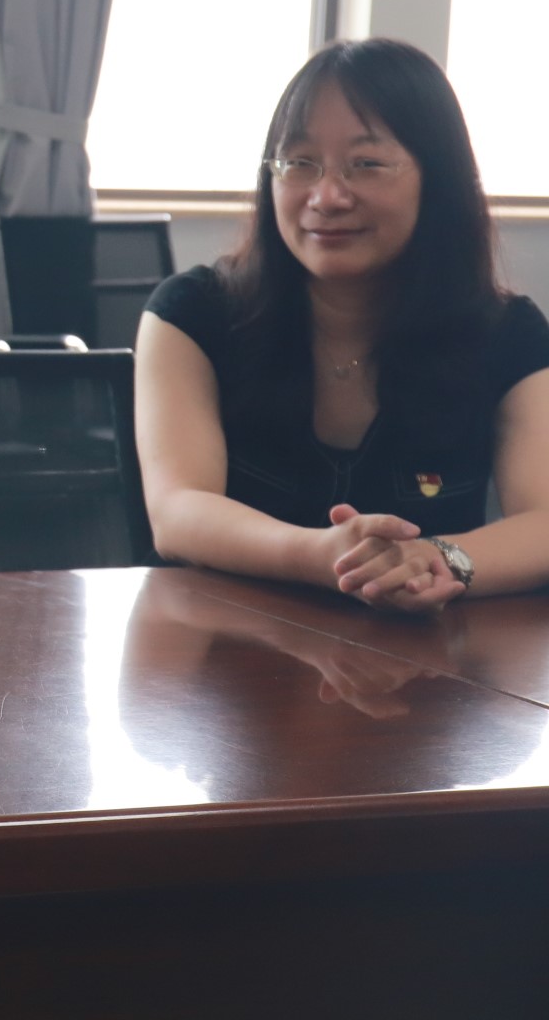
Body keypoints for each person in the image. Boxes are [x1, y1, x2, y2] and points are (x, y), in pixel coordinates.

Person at [135, 38, 549, 612]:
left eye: (367, 164)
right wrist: (324, 557)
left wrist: (434, 559)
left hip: (429, 656)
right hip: (225, 647)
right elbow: (178, 510)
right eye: (299, 162)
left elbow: (543, 522)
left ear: (439, 181)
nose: (326, 196)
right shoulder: (192, 314)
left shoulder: (509, 334)